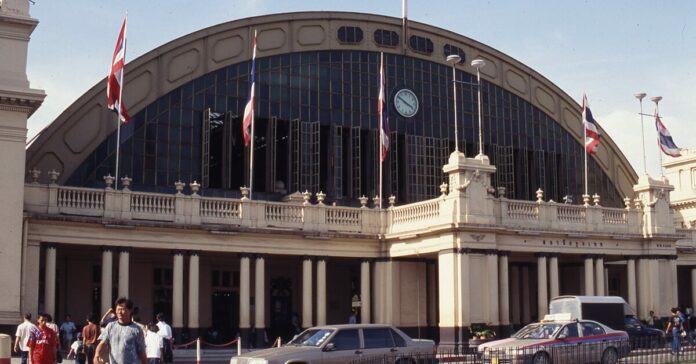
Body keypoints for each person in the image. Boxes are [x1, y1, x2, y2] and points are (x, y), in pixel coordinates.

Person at [94, 297, 147, 364]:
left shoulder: (137, 330)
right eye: (118, 309)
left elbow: (142, 352)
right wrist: (97, 354)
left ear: (130, 310)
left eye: (122, 309)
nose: (119, 312)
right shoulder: (111, 326)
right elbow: (102, 343)